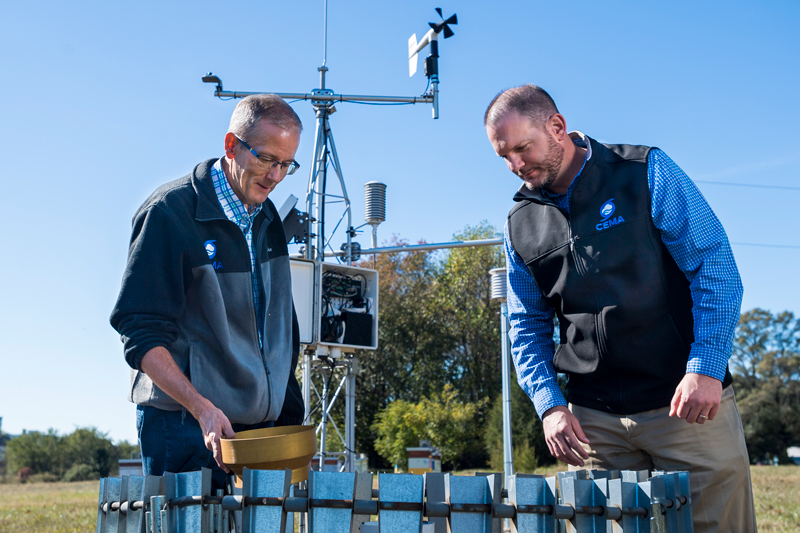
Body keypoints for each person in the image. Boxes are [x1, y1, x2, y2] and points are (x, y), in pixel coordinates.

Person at [485, 84, 757, 532]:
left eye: (522, 148)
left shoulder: (644, 171)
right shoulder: (520, 225)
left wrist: (706, 367)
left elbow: (715, 269)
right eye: (504, 157)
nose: (516, 165)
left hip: (688, 406)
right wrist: (550, 405)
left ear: (557, 127)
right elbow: (525, 325)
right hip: (594, 427)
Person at [110, 94, 305, 489]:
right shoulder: (170, 212)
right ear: (231, 145)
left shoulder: (268, 218)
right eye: (267, 159)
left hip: (256, 431)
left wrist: (288, 411)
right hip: (184, 426)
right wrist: (202, 410)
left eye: (287, 164)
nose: (275, 176)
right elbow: (140, 333)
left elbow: (280, 323)